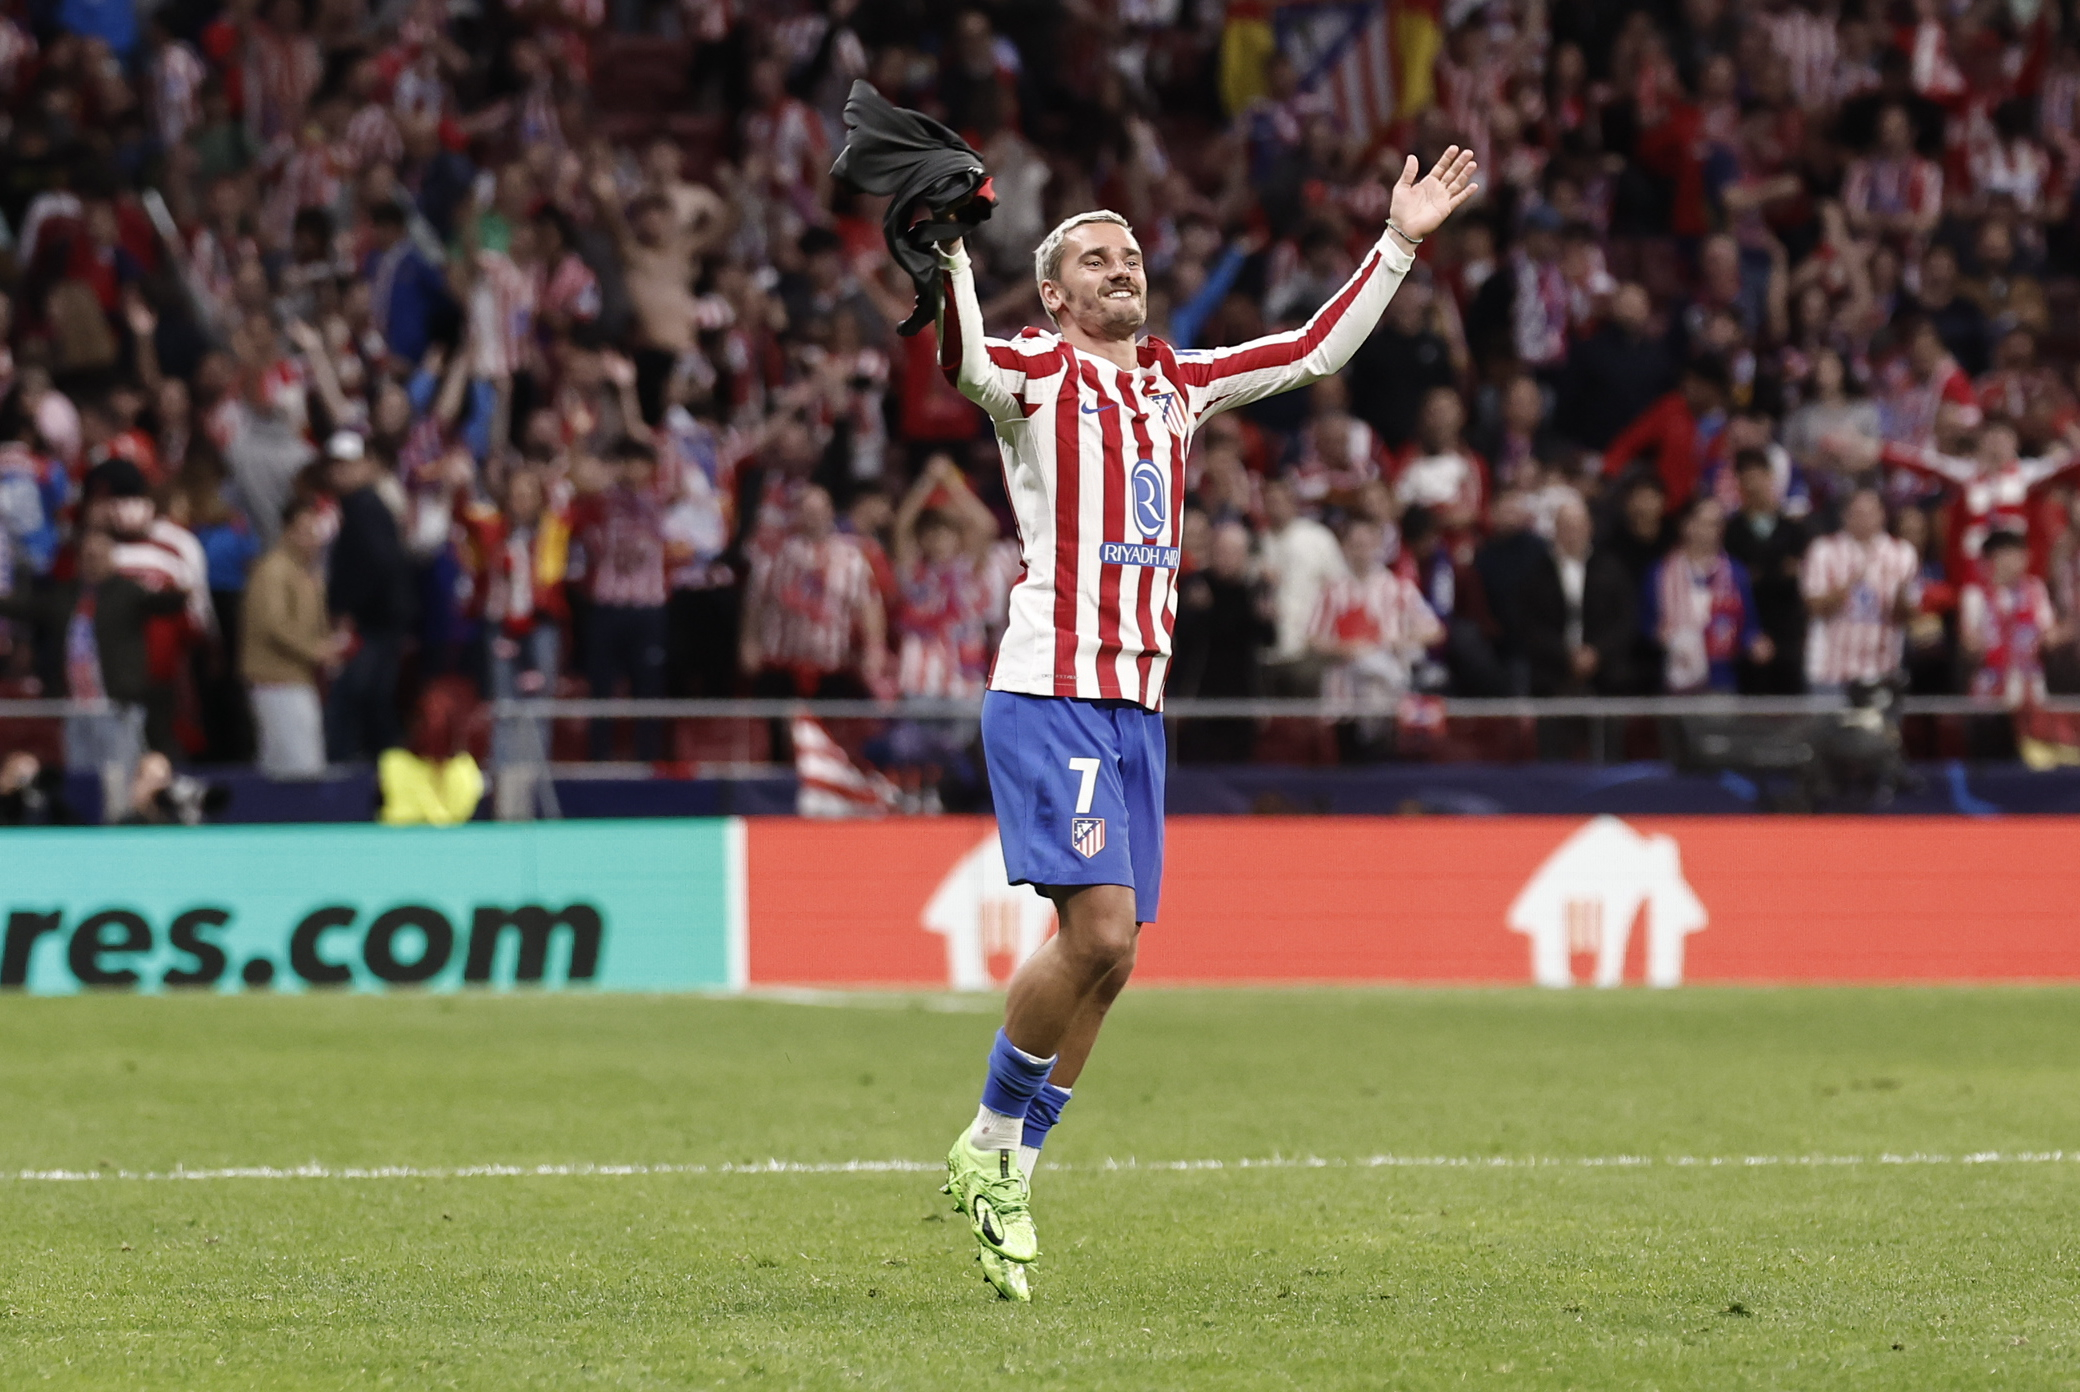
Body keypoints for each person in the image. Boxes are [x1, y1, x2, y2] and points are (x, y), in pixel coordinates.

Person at [932, 144, 1477, 1300]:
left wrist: (1400, 242)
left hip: (1136, 705)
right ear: (1058, 295)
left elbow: (1316, 349)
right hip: (1052, 688)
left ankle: (1016, 1171)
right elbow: (963, 358)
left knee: (1116, 964)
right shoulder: (1034, 371)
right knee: (1097, 938)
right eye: (1095, 256)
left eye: (1130, 252)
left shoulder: (1181, 382)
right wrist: (946, 260)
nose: (1122, 265)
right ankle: (984, 1144)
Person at [0, 529, 190, 821]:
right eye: (87, 556)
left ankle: (121, 824)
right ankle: (83, 825)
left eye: (99, 555)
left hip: (115, 704)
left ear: (112, 559)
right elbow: (26, 608)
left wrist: (181, 593)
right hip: (76, 706)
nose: (93, 562)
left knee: (119, 773)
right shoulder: (64, 595)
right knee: (81, 773)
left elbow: (161, 603)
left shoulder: (127, 592)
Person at [1308, 517, 1443, 761]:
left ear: (1378, 545)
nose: (1361, 551)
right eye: (1355, 544)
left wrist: (1399, 641)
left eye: (1366, 543)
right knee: (1350, 764)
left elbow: (1435, 631)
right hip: (1345, 694)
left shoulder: (1399, 587)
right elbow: (1314, 639)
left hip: (1389, 694)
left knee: (1384, 761)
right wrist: (1346, 649)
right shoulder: (1333, 591)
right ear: (1345, 548)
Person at [324, 433, 411, 762]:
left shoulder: (367, 507)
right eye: (335, 466)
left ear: (366, 466)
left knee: (361, 699)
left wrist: (348, 607)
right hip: (377, 622)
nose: (340, 473)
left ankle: (367, 773)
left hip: (374, 624)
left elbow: (378, 564)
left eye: (348, 465)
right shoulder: (357, 506)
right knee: (369, 701)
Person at [243, 495, 341, 777]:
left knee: (288, 761)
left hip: (297, 677)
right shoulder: (274, 570)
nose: (311, 539)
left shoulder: (304, 572)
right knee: (298, 766)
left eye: (314, 532)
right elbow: (274, 624)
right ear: (287, 531)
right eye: (303, 532)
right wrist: (317, 650)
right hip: (276, 679)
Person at [1645, 497, 1773, 694]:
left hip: (1721, 678)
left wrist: (1755, 643)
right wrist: (1658, 634)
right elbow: (1646, 621)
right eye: (1709, 523)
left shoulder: (1735, 572)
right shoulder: (1661, 572)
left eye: (1719, 523)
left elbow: (1749, 625)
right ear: (1687, 526)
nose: (1716, 530)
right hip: (1675, 675)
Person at [1801, 486, 1921, 694]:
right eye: (1857, 513)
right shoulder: (1823, 550)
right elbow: (1814, 607)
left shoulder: (1902, 553)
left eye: (1870, 513)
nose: (1864, 519)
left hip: (1883, 670)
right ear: (1845, 516)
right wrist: (1849, 584)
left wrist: (1901, 597)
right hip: (1831, 671)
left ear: (1882, 515)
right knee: (1827, 727)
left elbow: (1908, 616)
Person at [1720, 449, 1811, 694]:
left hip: (1787, 632)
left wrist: (1761, 575)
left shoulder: (1794, 530)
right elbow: (1736, 580)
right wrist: (1777, 573)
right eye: (1746, 477)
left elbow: (1798, 578)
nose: (1753, 484)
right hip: (1746, 631)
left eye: (1758, 476)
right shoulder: (1730, 532)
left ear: (1770, 477)